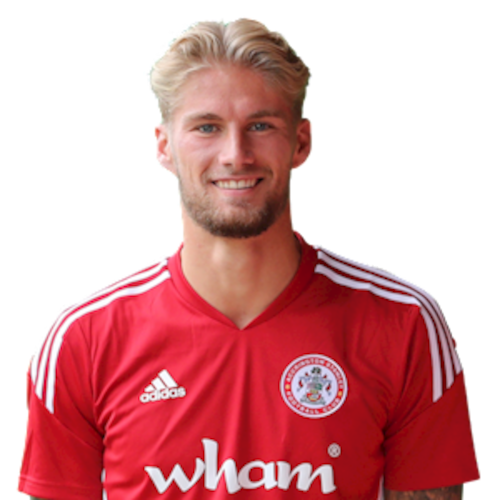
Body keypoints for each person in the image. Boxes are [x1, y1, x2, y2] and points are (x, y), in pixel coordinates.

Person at [17, 17, 478, 499]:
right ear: (164, 146)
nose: (236, 155)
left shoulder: (401, 320)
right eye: (207, 127)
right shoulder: (84, 337)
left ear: (301, 143)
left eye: (260, 125)